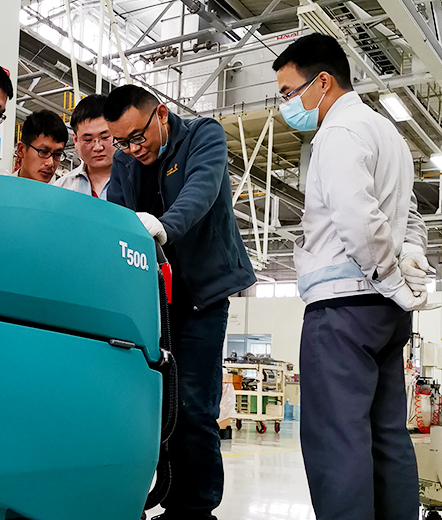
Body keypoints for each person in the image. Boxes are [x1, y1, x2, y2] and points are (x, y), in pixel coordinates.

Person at [272, 33, 429, 520]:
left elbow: (357, 218)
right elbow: (412, 216)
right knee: (387, 436)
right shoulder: (388, 135)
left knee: (336, 440)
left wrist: (390, 277)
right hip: (385, 313)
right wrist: (409, 263)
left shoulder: (338, 132)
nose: (284, 104)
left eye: (288, 92)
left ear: (322, 82)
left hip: (342, 308)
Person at [103, 84, 255, 519]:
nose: (133, 149)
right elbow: (116, 217)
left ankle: (197, 509)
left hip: (203, 296)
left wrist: (163, 227)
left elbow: (200, 193)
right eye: (122, 142)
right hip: (155, 303)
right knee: (158, 405)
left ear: (161, 114)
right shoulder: (125, 162)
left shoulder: (203, 136)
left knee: (193, 404)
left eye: (138, 137)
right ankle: (167, 500)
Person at [54, 94, 114, 198]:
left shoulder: (138, 182)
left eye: (105, 137)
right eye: (88, 140)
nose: (98, 147)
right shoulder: (62, 189)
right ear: (76, 140)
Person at [15, 110, 68, 183]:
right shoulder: (0, 188)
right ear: (21, 150)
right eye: (44, 152)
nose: (51, 163)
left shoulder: (61, 190)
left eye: (57, 154)